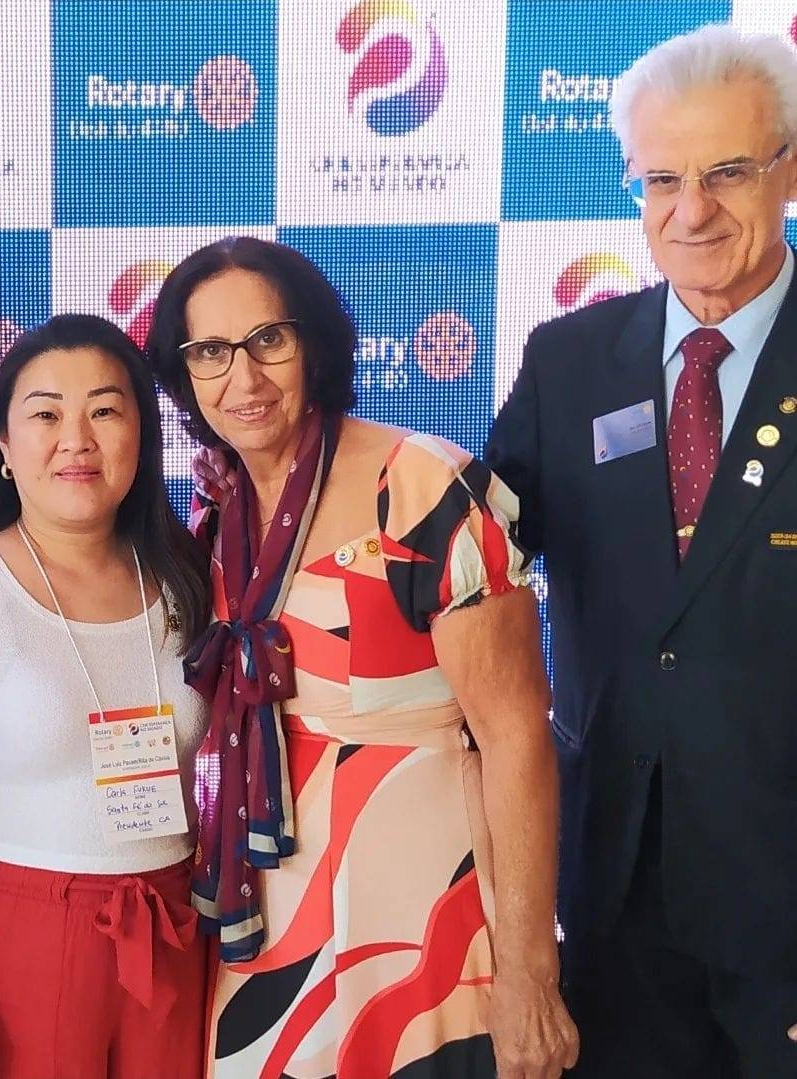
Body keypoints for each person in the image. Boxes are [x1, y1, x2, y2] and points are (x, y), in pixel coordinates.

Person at [146, 237, 579, 1079]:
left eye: (269, 339)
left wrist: (531, 968)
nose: (244, 376)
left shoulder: (417, 483)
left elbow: (518, 736)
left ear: (314, 342)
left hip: (421, 896)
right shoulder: (221, 505)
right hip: (272, 901)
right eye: (210, 352)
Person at [486, 25, 797, 1079]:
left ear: (790, 167)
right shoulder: (569, 360)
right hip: (613, 898)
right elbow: (473, 547)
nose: (691, 211)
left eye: (727, 172)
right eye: (661, 179)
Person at [0, 314, 212, 1079]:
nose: (76, 439)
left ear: (142, 436)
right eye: (46, 414)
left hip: (173, 930)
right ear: (4, 445)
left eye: (105, 410)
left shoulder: (189, 576)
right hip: (19, 938)